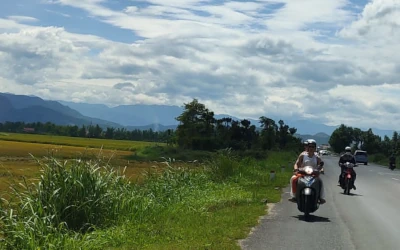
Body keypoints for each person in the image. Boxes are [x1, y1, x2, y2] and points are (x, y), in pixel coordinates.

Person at [289, 139, 326, 204]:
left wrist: (321, 170)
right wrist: (296, 169)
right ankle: (294, 196)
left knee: (320, 181)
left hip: (313, 174)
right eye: (310, 146)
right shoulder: (303, 155)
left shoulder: (317, 156)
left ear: (315, 148)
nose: (311, 148)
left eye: (313, 147)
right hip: (302, 173)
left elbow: (321, 165)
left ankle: (320, 197)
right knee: (293, 179)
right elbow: (296, 164)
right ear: (307, 147)